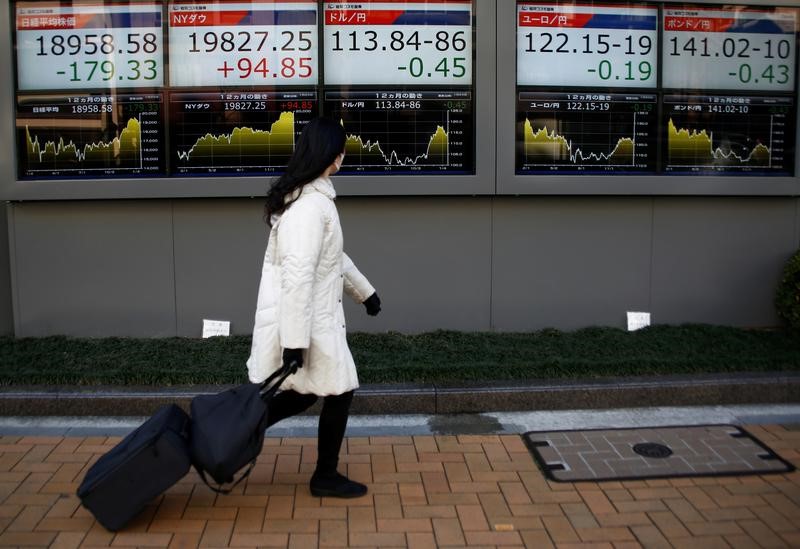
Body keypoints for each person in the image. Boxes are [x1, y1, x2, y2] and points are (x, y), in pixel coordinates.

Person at [246, 117, 381, 498]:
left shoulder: (313, 199)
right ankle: (323, 475)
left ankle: (244, 428)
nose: (343, 157)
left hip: (316, 319)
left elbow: (332, 255)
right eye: (341, 151)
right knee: (338, 389)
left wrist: (364, 292)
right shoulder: (309, 208)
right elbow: (299, 278)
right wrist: (293, 342)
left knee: (309, 392)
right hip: (311, 322)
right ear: (331, 156)